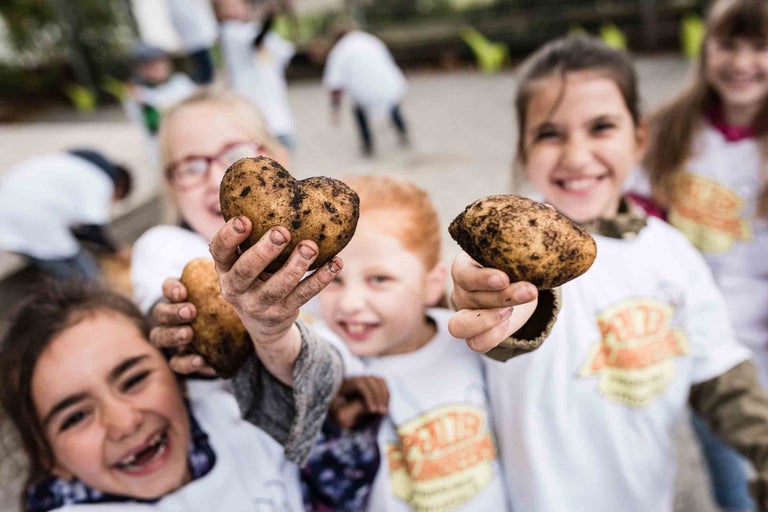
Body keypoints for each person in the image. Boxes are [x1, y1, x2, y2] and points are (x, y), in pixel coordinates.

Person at [447, 34, 768, 512]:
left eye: (601, 128)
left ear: (640, 139)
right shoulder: (500, 254)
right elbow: (500, 328)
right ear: (523, 146)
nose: (576, 155)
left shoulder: (673, 253)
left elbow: (719, 375)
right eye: (550, 133)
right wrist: (492, 308)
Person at [0, 221, 344, 511]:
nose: (123, 423)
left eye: (134, 379)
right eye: (75, 417)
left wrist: (349, 415)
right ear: (47, 456)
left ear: (176, 373)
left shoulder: (238, 423)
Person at [308, 175, 533, 511]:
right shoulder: (328, 361)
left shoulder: (468, 340)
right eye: (333, 278)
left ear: (433, 283)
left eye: (379, 279)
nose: (351, 303)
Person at [628, 1, 768, 509]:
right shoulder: (668, 131)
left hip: (763, 343)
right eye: (728, 44)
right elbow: (637, 232)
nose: (742, 60)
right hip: (703, 349)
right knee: (735, 488)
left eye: (760, 46)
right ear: (705, 48)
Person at [131, 88, 289, 320]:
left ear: (280, 159)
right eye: (192, 167)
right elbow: (163, 307)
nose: (218, 181)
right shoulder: (165, 248)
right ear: (172, 188)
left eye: (237, 155)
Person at [0, 148, 132, 282]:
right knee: (85, 276)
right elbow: (92, 229)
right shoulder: (101, 181)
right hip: (34, 220)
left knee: (63, 266)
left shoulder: (74, 166)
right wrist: (116, 250)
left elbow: (80, 228)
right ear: (118, 188)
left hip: (11, 215)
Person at [215, 0, 297, 150]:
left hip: (278, 113)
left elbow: (286, 52)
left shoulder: (251, 29)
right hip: (256, 115)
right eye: (229, 6)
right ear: (220, 13)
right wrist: (271, 15)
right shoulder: (229, 32)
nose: (237, 8)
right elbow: (256, 41)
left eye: (239, 4)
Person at [322, 25, 410, 157]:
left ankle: (367, 144)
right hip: (389, 83)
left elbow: (335, 85)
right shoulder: (370, 40)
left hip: (363, 89)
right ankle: (403, 132)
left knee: (359, 111)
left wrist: (335, 110)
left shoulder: (339, 51)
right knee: (392, 106)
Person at [124, 42, 197, 164]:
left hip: (189, 138)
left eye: (162, 63)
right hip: (160, 148)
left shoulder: (182, 83)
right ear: (140, 70)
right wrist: (136, 103)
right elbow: (138, 121)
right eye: (151, 66)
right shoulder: (139, 92)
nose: (159, 68)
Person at [167, 0, 218, 85]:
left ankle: (205, 81)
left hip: (196, 34)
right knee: (199, 63)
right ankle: (204, 82)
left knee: (203, 63)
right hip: (192, 35)